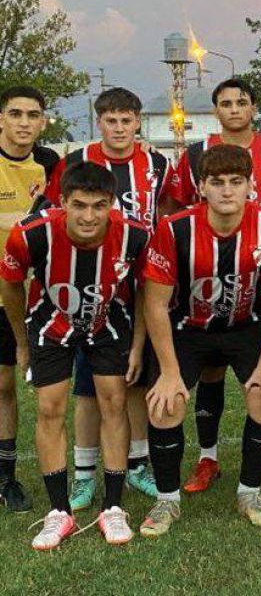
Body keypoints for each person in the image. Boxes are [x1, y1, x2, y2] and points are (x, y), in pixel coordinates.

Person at [139, 144, 261, 536]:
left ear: (251, 185)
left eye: (236, 182)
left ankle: (250, 492)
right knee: (166, 403)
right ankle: (167, 500)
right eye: (217, 183)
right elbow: (156, 304)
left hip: (245, 325)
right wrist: (170, 372)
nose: (227, 191)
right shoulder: (174, 228)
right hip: (188, 328)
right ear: (201, 187)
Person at [0, 161, 149, 548]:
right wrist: (21, 342)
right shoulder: (31, 234)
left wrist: (136, 344)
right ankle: (58, 512)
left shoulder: (134, 234)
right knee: (50, 408)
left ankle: (113, 507)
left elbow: (149, 289)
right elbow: (11, 285)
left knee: (114, 403)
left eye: (99, 206)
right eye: (79, 205)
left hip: (108, 321)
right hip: (50, 323)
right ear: (62, 201)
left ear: (111, 204)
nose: (88, 216)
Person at [44, 87, 177, 508]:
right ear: (98, 122)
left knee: (132, 380)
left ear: (138, 122)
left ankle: (135, 465)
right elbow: (51, 216)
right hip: (87, 286)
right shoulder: (75, 163)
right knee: (88, 387)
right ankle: (84, 474)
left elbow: (167, 214)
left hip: (141, 281)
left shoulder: (157, 163)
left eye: (126, 120)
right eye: (110, 120)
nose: (119, 128)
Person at [170, 77, 261, 490]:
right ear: (216, 110)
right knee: (209, 371)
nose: (234, 109)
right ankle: (208, 458)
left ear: (254, 107)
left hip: (255, 273)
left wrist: (254, 227)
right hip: (204, 276)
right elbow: (175, 202)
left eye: (242, 102)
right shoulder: (194, 154)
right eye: (226, 103)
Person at [0, 85, 54, 512]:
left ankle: (6, 479)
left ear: (42, 121)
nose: (23, 122)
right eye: (15, 114)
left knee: (9, 386)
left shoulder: (51, 164)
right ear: (2, 118)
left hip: (21, 295)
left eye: (31, 115)